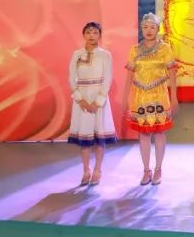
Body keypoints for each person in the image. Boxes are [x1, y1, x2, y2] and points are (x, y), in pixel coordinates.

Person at [122, 13, 178, 186]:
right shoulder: (134, 50)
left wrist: (174, 98)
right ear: (141, 29)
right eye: (145, 27)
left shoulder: (165, 49)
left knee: (159, 132)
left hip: (159, 95)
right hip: (140, 96)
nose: (149, 30)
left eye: (152, 27)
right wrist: (125, 99)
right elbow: (129, 76)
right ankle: (146, 170)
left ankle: (158, 169)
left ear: (158, 29)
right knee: (143, 133)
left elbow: (172, 74)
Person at [68, 22, 117, 186]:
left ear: (100, 36)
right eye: (88, 32)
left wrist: (98, 102)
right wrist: (79, 99)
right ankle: (86, 170)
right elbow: (71, 77)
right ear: (83, 35)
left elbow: (108, 79)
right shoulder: (76, 54)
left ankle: (97, 170)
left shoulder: (105, 55)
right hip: (82, 99)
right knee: (85, 137)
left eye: (95, 32)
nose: (91, 35)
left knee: (99, 136)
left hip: (98, 100)